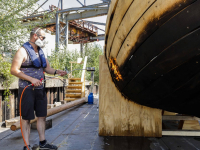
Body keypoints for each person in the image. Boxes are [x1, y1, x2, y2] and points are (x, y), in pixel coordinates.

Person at [11, 27, 67, 150]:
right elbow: (14, 70)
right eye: (43, 37)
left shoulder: (41, 52)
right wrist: (31, 79)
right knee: (26, 118)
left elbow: (47, 68)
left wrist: (57, 71)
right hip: (26, 89)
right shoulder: (22, 51)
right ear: (35, 36)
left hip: (40, 89)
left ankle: (42, 142)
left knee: (42, 116)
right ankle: (27, 146)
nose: (44, 40)